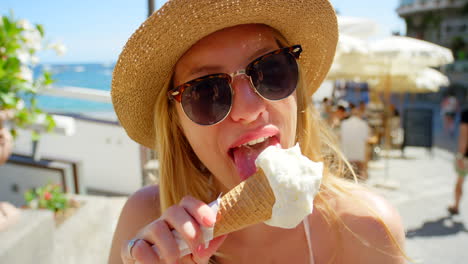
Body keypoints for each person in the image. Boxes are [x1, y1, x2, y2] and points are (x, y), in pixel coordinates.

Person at [109, 1, 406, 263]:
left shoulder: (367, 228)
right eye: (206, 92)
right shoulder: (144, 221)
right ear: (177, 123)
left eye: (272, 70)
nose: (248, 109)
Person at [340, 104, 370, 181]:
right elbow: (366, 145)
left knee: (347, 181)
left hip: (347, 157)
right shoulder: (363, 124)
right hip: (359, 158)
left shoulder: (344, 124)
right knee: (360, 182)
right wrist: (366, 168)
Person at [448, 107, 468, 215]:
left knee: (460, 181)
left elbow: (464, 137)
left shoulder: (466, 113)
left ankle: (456, 206)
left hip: (466, 156)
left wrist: (460, 155)